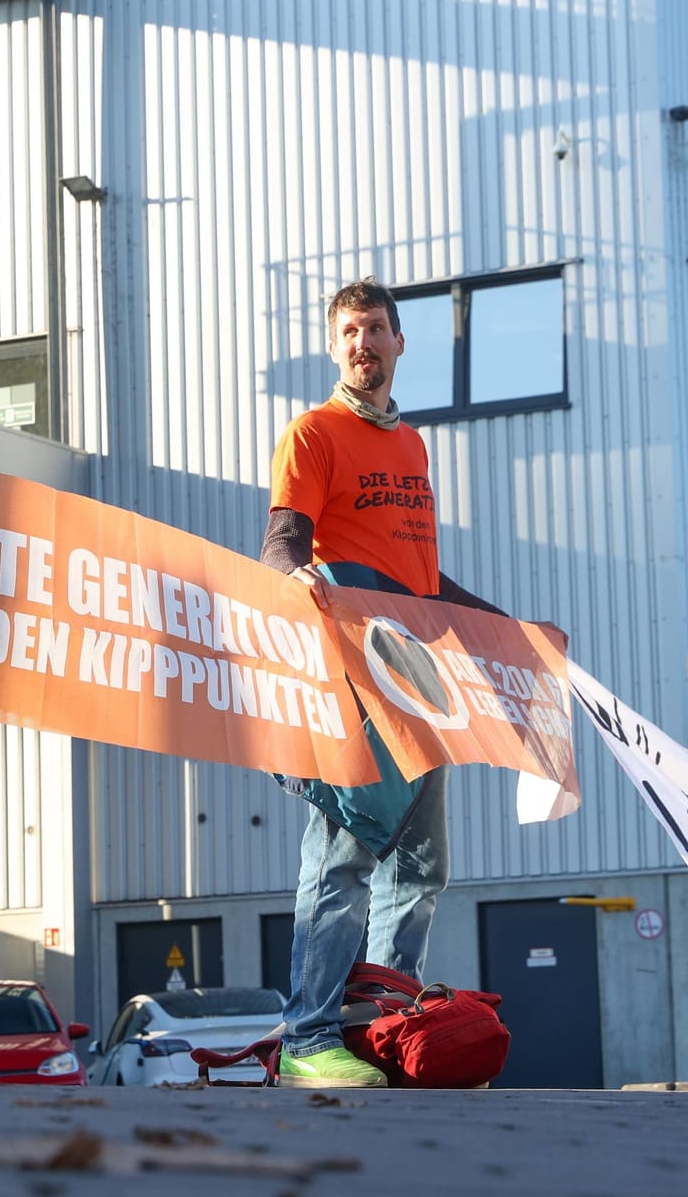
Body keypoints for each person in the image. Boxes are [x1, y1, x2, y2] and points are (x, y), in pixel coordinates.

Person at [261, 277, 511, 1089]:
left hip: (419, 672)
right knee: (343, 851)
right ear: (334, 348)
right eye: (348, 333)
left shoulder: (412, 446)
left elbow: (425, 579)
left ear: (400, 343)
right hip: (357, 672)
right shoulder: (313, 433)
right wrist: (292, 581)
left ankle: (382, 1024)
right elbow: (283, 544)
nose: (362, 344)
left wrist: (510, 630)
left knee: (418, 861)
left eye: (375, 330)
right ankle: (308, 1036)